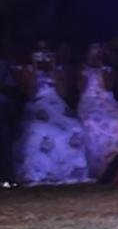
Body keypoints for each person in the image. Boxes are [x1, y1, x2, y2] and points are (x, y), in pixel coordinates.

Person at [13, 42, 90, 186]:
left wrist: (53, 67)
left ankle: (70, 171)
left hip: (57, 104)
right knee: (38, 129)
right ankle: (37, 172)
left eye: (46, 51)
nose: (43, 54)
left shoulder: (59, 69)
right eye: (39, 51)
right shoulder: (27, 69)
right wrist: (35, 67)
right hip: (38, 104)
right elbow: (30, 93)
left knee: (75, 127)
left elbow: (64, 93)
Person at [76, 42, 118, 180]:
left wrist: (102, 68)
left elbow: (109, 87)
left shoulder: (108, 69)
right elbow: (81, 89)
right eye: (93, 52)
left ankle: (114, 168)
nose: (96, 55)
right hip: (88, 102)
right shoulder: (81, 69)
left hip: (107, 101)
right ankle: (95, 169)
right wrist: (86, 70)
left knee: (117, 124)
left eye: (98, 52)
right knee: (90, 123)